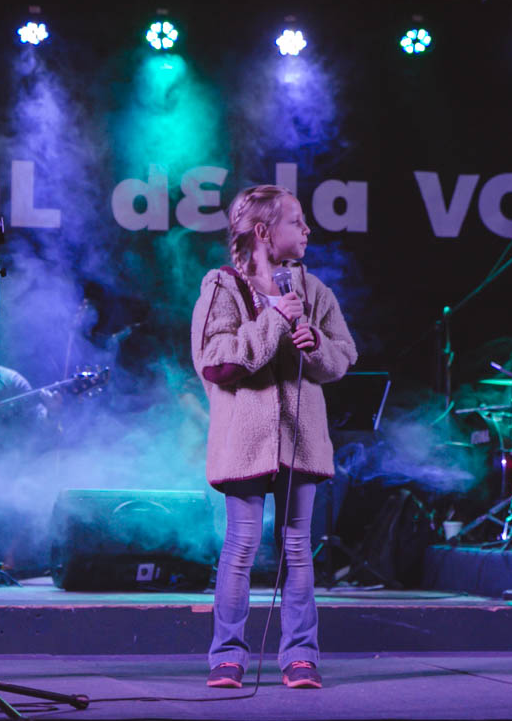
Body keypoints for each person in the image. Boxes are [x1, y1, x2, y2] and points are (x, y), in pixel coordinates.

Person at [190, 185, 357, 690]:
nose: (307, 230)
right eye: (296, 221)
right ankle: (227, 656)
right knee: (241, 546)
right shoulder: (223, 286)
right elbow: (216, 360)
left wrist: (316, 344)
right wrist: (273, 320)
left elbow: (344, 355)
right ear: (263, 231)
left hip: (301, 437)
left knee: (298, 547)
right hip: (245, 440)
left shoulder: (313, 290)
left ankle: (301, 655)